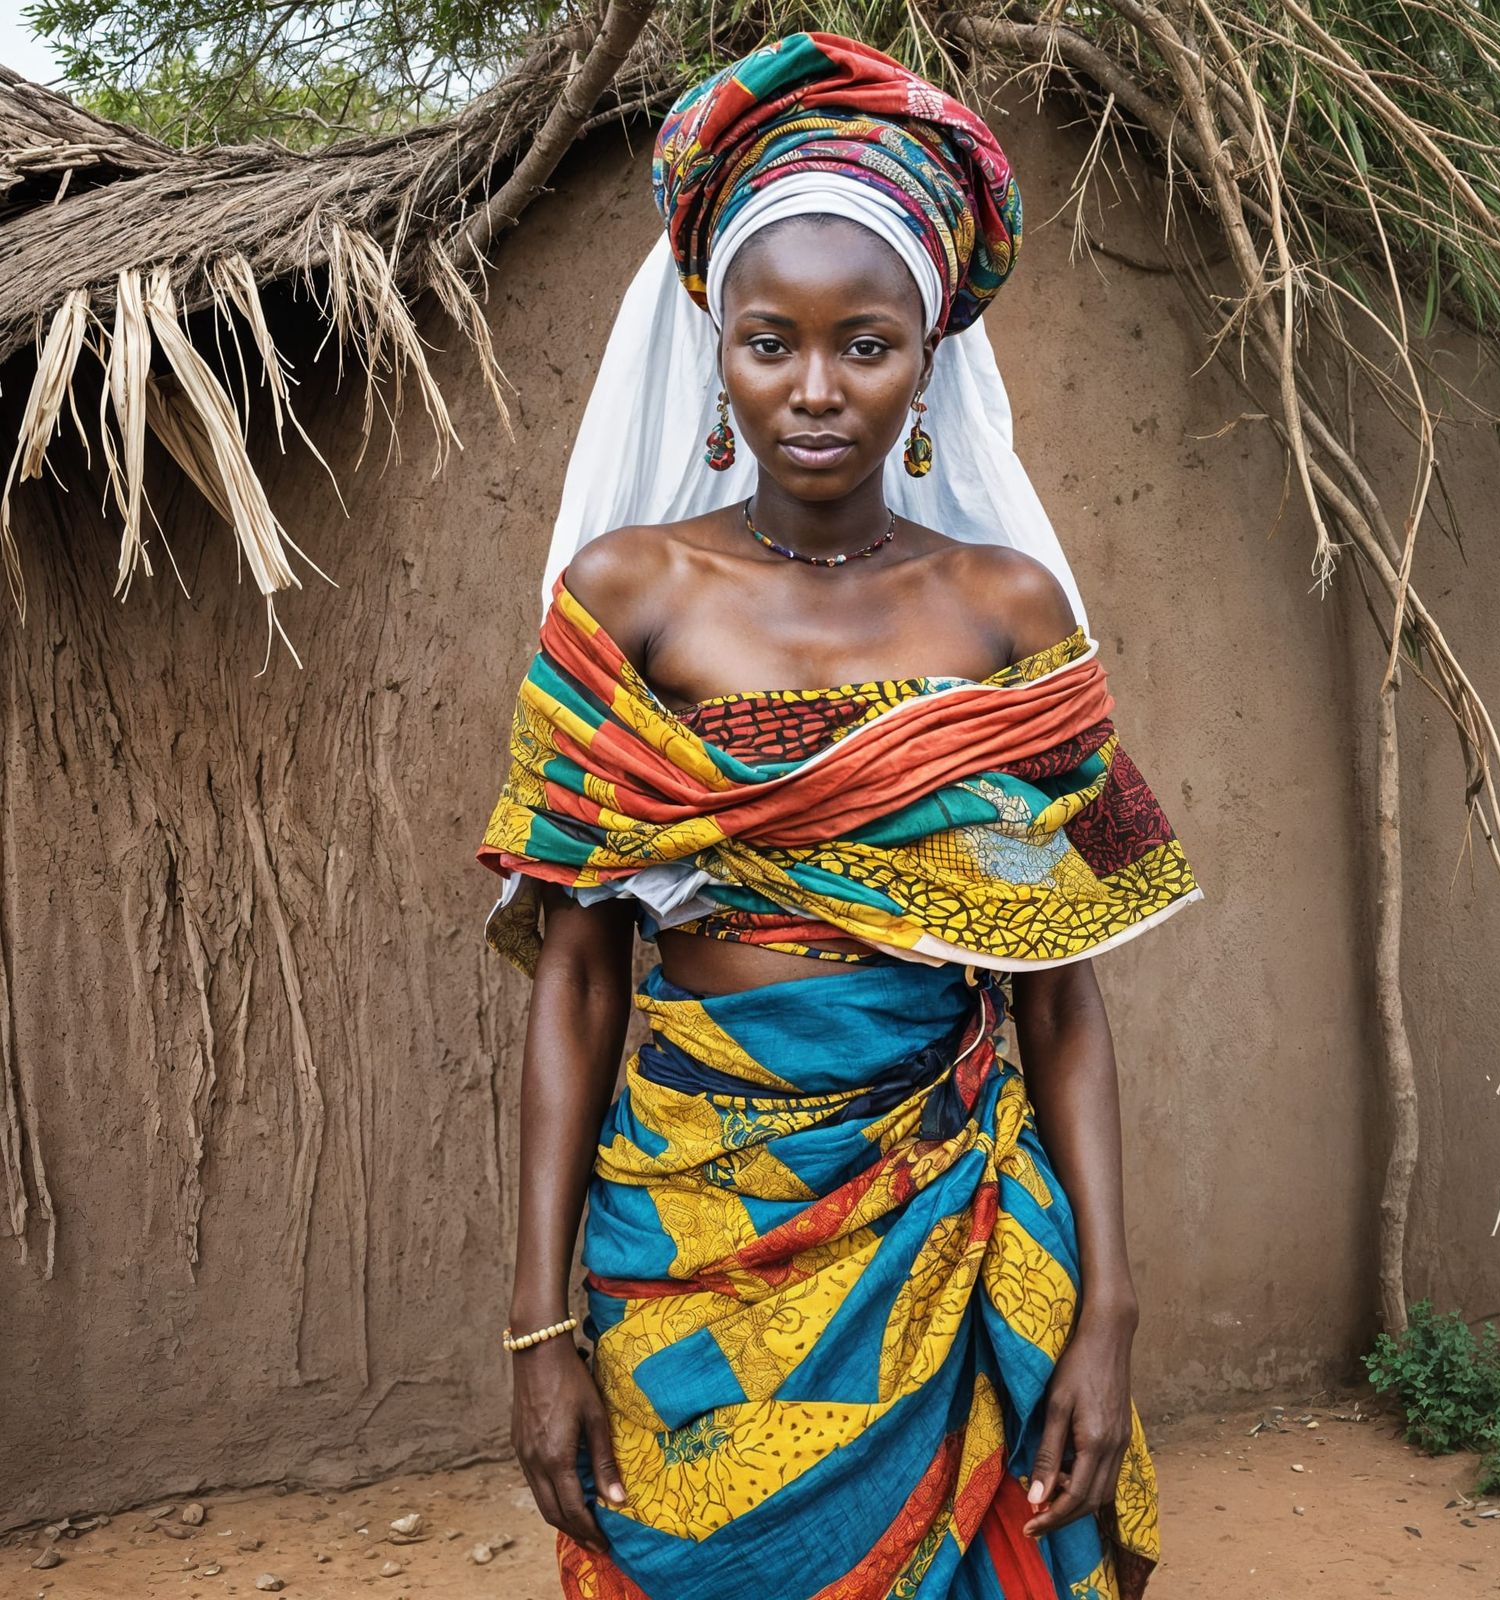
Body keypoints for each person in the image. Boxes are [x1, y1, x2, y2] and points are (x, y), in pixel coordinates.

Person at [476, 31, 1201, 1600]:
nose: (814, 389)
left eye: (865, 344)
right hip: (687, 1224)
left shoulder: (1007, 615)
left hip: (948, 1208)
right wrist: (540, 1325)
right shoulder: (626, 600)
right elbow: (578, 976)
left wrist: (1109, 1307)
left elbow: (1059, 993)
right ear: (717, 353)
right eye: (770, 342)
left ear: (927, 357)